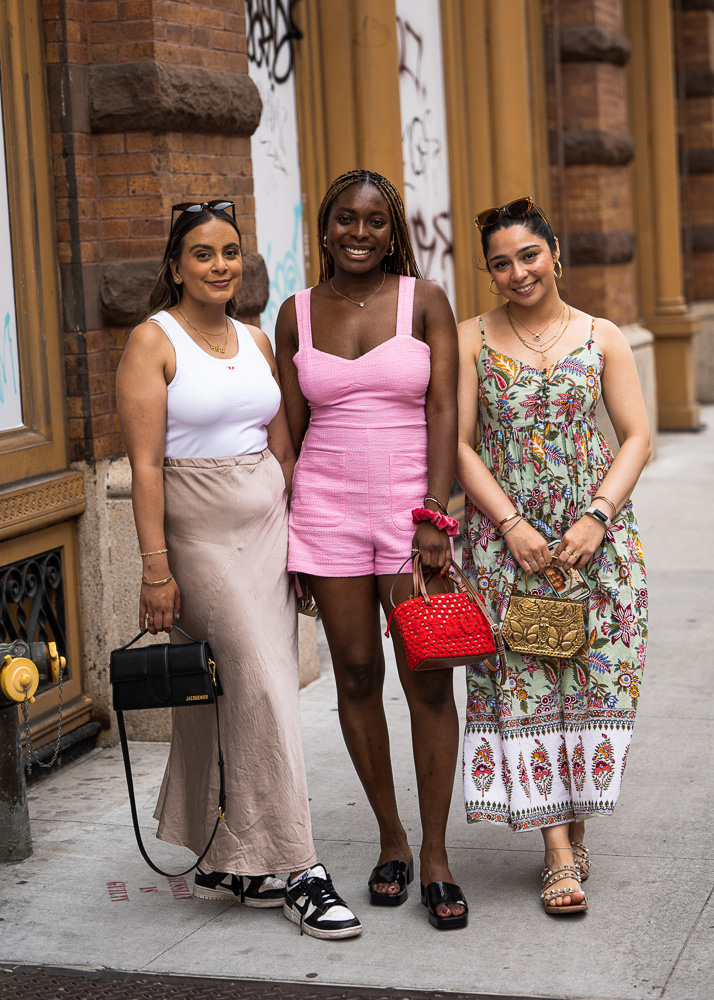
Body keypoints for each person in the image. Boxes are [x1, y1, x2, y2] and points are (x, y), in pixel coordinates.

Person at [116, 199, 361, 941]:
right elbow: (146, 466)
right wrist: (155, 568)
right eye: (202, 253)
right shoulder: (151, 342)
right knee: (260, 685)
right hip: (196, 531)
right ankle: (301, 867)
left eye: (230, 252)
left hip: (265, 527)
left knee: (242, 689)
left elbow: (283, 444)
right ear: (174, 265)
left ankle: (232, 857)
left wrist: (297, 535)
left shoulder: (256, 339)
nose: (220, 265)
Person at [276, 169, 467, 930]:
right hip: (325, 513)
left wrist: (435, 515)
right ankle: (390, 838)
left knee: (427, 677)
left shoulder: (424, 301)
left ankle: (436, 855)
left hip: (407, 512)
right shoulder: (295, 313)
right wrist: (285, 522)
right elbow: (286, 429)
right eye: (346, 220)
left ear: (395, 231)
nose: (360, 233)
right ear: (325, 229)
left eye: (376, 221)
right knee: (355, 673)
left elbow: (445, 407)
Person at [456, 196, 650, 914]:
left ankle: (573, 819)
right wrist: (508, 524)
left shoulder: (603, 336)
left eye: (528, 255)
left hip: (598, 545)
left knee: (596, 682)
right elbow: (457, 443)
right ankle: (558, 853)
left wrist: (598, 515)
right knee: (524, 688)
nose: (517, 273)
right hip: (511, 547)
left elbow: (636, 436)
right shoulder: (471, 338)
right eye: (501, 263)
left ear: (554, 251)